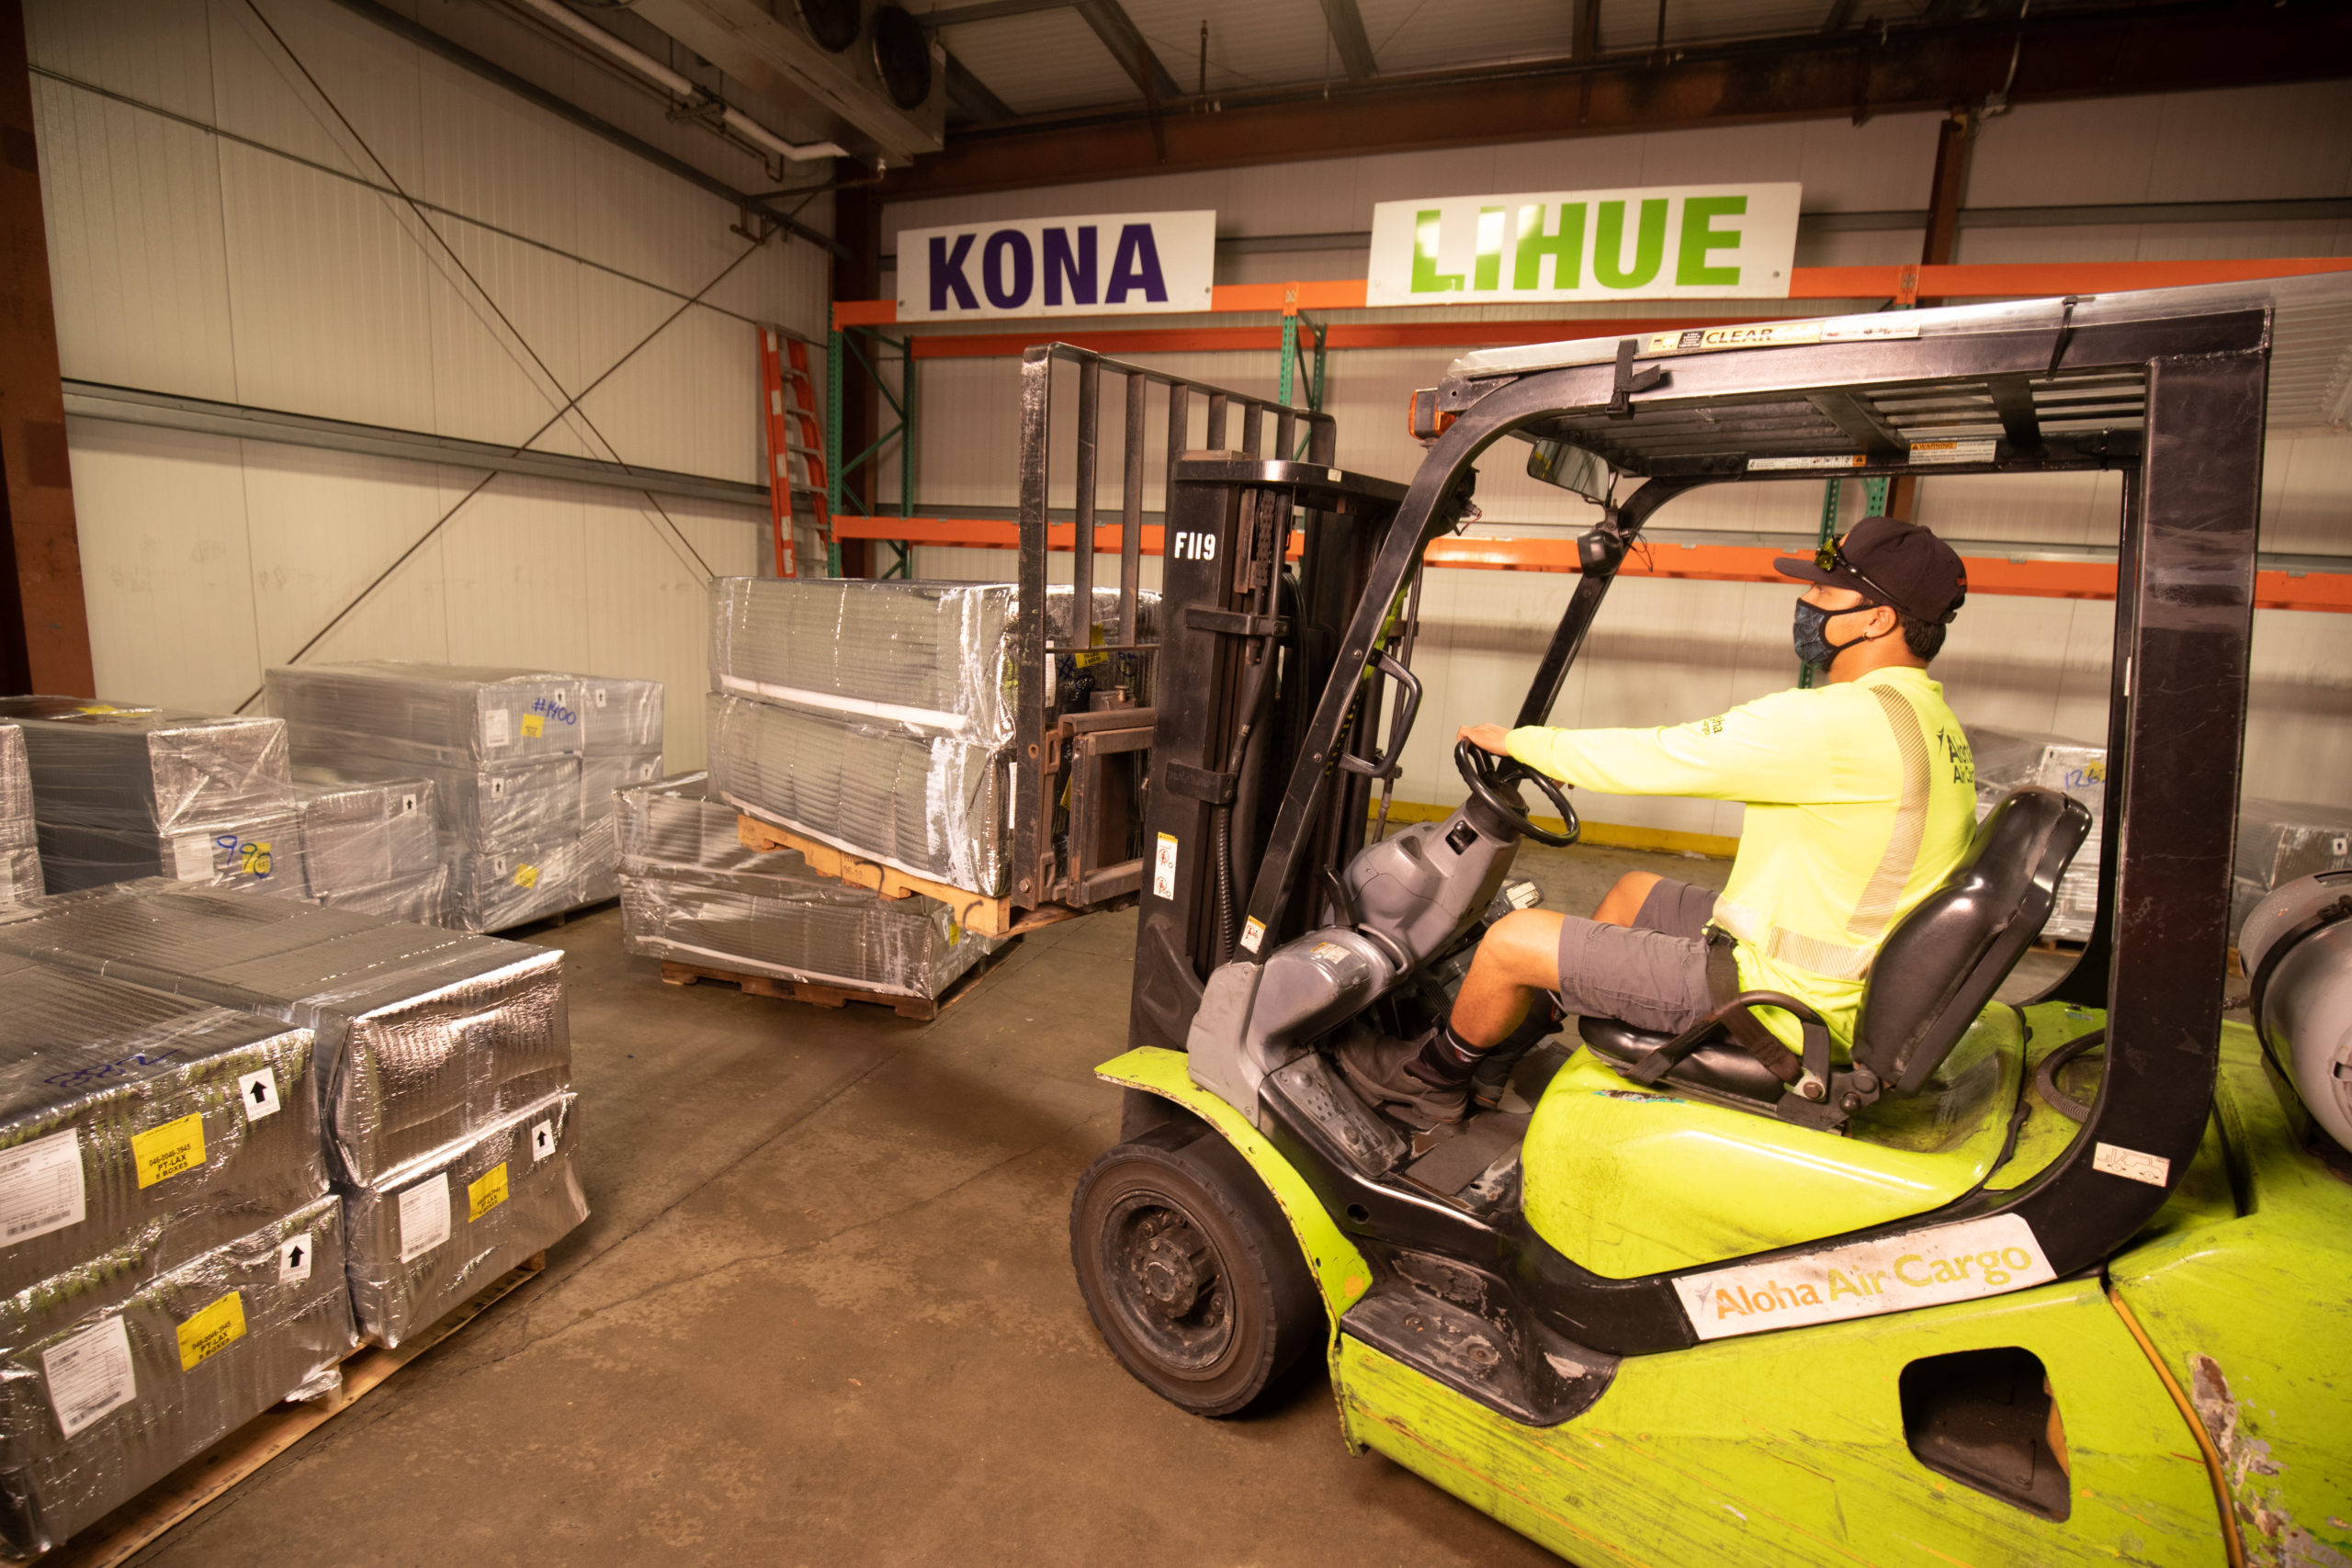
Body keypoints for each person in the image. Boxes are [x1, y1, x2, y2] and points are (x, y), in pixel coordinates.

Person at [1339, 514, 1980, 1127]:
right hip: (1828, 967)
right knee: (1631, 892)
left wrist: (1527, 743)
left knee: (1510, 943)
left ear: (1878, 617)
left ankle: (1431, 1082)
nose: (1807, 602)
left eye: (1823, 590)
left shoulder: (1841, 721)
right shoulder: (1927, 719)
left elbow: (1668, 753)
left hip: (1784, 1001)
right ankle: (1498, 1053)